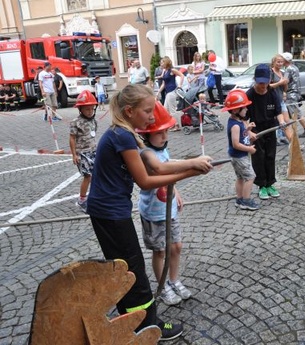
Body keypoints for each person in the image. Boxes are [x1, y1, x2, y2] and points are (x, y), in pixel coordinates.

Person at [87, 84, 213, 341]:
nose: (152, 117)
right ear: (130, 111)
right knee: (133, 271)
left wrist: (190, 164)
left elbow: (158, 166)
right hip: (110, 212)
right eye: (147, 111)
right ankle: (147, 325)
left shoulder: (124, 133)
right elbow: (145, 180)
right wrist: (190, 171)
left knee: (124, 267)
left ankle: (128, 319)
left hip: (109, 210)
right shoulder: (122, 136)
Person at [136, 102, 205, 306]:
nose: (164, 137)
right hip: (153, 213)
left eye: (166, 132)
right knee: (160, 250)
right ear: (146, 135)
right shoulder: (146, 154)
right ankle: (162, 285)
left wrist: (177, 192)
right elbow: (161, 169)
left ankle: (174, 280)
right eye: (159, 133)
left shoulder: (163, 151)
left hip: (169, 209)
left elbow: (170, 174)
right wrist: (193, 164)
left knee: (176, 247)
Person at [245, 64, 286, 200]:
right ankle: (261, 185)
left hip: (270, 128)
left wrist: (281, 122)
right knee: (258, 157)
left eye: (266, 82)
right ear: (255, 79)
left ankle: (270, 184)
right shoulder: (250, 95)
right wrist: (249, 132)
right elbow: (244, 118)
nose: (263, 85)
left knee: (270, 156)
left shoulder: (272, 93)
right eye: (260, 82)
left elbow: (278, 112)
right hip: (256, 131)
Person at [222, 89, 259, 211]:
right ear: (235, 110)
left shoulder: (238, 122)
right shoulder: (236, 125)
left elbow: (242, 135)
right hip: (239, 156)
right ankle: (246, 201)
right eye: (244, 107)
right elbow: (236, 144)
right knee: (250, 177)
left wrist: (247, 130)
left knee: (240, 177)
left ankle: (239, 199)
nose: (247, 109)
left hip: (237, 157)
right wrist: (249, 149)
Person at [69, 90, 98, 213]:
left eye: (92, 109)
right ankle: (81, 200)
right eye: (87, 109)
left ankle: (95, 196)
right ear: (80, 109)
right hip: (82, 153)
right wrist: (74, 154)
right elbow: (72, 138)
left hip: (93, 151)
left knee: (96, 175)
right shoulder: (75, 122)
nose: (90, 111)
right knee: (88, 176)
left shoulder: (93, 121)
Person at [282, 52, 305, 139]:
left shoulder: (288, 69)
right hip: (296, 92)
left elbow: (285, 81)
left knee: (296, 113)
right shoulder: (295, 67)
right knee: (292, 113)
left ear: (285, 60)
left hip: (291, 93)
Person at [156, 57, 184, 131]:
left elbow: (181, 75)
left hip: (172, 91)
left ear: (166, 62)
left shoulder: (172, 70)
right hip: (168, 92)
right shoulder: (165, 71)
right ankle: (172, 123)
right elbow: (164, 83)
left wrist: (180, 85)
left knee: (172, 110)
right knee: (165, 109)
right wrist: (158, 92)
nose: (161, 64)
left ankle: (177, 125)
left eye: (162, 62)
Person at [269, 54, 290, 145]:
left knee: (287, 122)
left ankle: (289, 140)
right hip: (273, 101)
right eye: (278, 62)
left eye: (281, 62)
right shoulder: (271, 72)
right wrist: (280, 82)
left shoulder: (282, 72)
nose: (280, 63)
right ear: (273, 62)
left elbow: (285, 89)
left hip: (281, 100)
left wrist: (285, 83)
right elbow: (267, 86)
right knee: (281, 122)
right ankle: (290, 141)